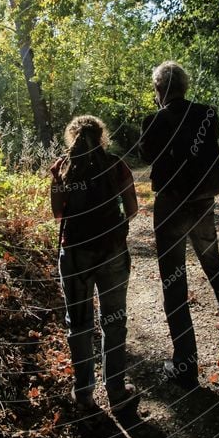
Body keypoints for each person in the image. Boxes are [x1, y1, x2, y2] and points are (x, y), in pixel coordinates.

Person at [139, 61, 219, 387]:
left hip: (171, 205)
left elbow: (147, 156)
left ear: (159, 89)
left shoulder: (154, 120)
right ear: (185, 86)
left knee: (174, 282)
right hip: (202, 202)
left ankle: (185, 366)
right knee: (213, 264)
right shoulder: (207, 114)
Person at [50, 115, 138, 411]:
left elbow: (57, 215)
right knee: (114, 321)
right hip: (112, 251)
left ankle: (84, 394)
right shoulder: (116, 165)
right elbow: (133, 209)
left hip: (75, 254)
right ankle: (115, 391)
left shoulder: (63, 168)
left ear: (71, 137)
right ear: (103, 137)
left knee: (79, 324)